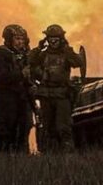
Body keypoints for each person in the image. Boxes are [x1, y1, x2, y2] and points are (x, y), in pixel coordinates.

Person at [28, 24, 85, 152]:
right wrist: (38, 48)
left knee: (63, 127)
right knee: (48, 128)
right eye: (50, 39)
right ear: (47, 40)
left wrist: (67, 49)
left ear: (61, 39)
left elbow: (78, 62)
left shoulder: (66, 54)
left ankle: (67, 155)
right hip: (46, 95)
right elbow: (29, 62)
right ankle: (50, 155)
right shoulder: (42, 55)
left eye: (56, 39)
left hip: (62, 95)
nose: (53, 42)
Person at [0, 24, 32, 153]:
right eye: (17, 39)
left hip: (24, 96)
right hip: (6, 97)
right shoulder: (0, 55)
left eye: (22, 39)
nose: (20, 42)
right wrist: (21, 74)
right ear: (9, 39)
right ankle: (1, 157)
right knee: (6, 129)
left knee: (25, 127)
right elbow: (1, 77)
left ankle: (22, 157)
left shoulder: (27, 55)